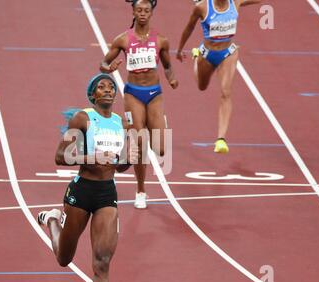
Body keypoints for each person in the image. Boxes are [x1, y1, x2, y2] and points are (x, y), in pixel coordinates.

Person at [37, 73, 137, 282]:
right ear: (93, 95)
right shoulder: (83, 118)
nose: (108, 89)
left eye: (111, 86)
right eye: (102, 87)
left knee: (102, 263)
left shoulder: (121, 123)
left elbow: (119, 167)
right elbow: (60, 156)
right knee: (64, 259)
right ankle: (52, 220)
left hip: (106, 194)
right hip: (81, 192)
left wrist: (129, 158)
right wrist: (92, 157)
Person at [100, 0, 179, 209]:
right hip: (133, 94)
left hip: (154, 94)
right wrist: (109, 68)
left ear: (151, 13)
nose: (143, 13)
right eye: (139, 10)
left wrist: (172, 79)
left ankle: (157, 124)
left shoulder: (161, 40)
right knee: (140, 143)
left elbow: (168, 66)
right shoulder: (123, 39)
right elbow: (103, 63)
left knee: (161, 149)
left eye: (146, 10)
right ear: (133, 12)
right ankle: (141, 190)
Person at [176, 0, 262, 153]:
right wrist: (179, 49)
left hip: (228, 53)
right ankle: (196, 57)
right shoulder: (202, 7)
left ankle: (221, 139)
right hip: (208, 54)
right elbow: (189, 27)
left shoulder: (236, 2)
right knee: (202, 86)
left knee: (226, 92)